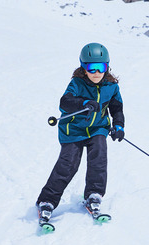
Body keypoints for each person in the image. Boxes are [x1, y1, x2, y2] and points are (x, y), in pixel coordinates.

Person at [37, 42, 125, 222]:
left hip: (97, 128)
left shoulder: (111, 86)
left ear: (107, 67)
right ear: (83, 68)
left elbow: (117, 108)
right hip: (73, 130)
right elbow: (65, 102)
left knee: (99, 159)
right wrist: (83, 103)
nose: (96, 73)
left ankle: (94, 194)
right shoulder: (77, 84)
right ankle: (47, 200)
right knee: (68, 165)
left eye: (101, 68)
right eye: (91, 68)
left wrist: (119, 125)